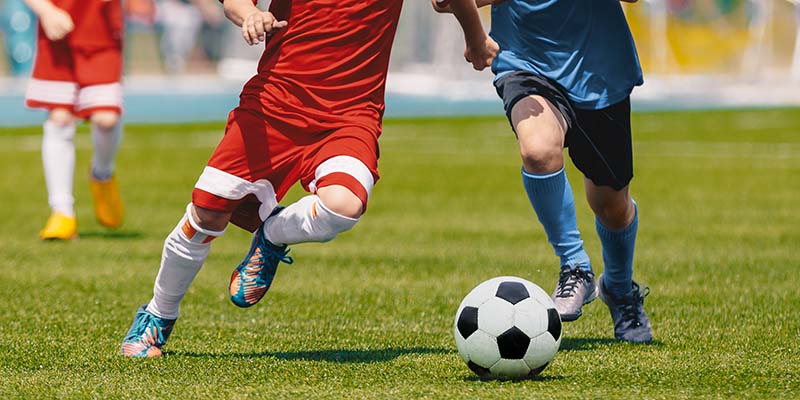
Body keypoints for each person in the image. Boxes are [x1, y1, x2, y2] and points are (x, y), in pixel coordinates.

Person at [119, 0, 497, 358]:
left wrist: (475, 38)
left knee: (345, 205)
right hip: (271, 106)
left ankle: (272, 235)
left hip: (351, 114)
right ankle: (158, 313)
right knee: (207, 215)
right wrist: (249, 14)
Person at [435, 0, 652, 343]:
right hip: (525, 62)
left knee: (612, 205)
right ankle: (575, 265)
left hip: (599, 70)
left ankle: (620, 289)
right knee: (537, 150)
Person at [24, 0, 125, 240]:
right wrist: (45, 10)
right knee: (60, 118)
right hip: (57, 30)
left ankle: (102, 174)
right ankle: (62, 212)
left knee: (106, 119)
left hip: (102, 34)